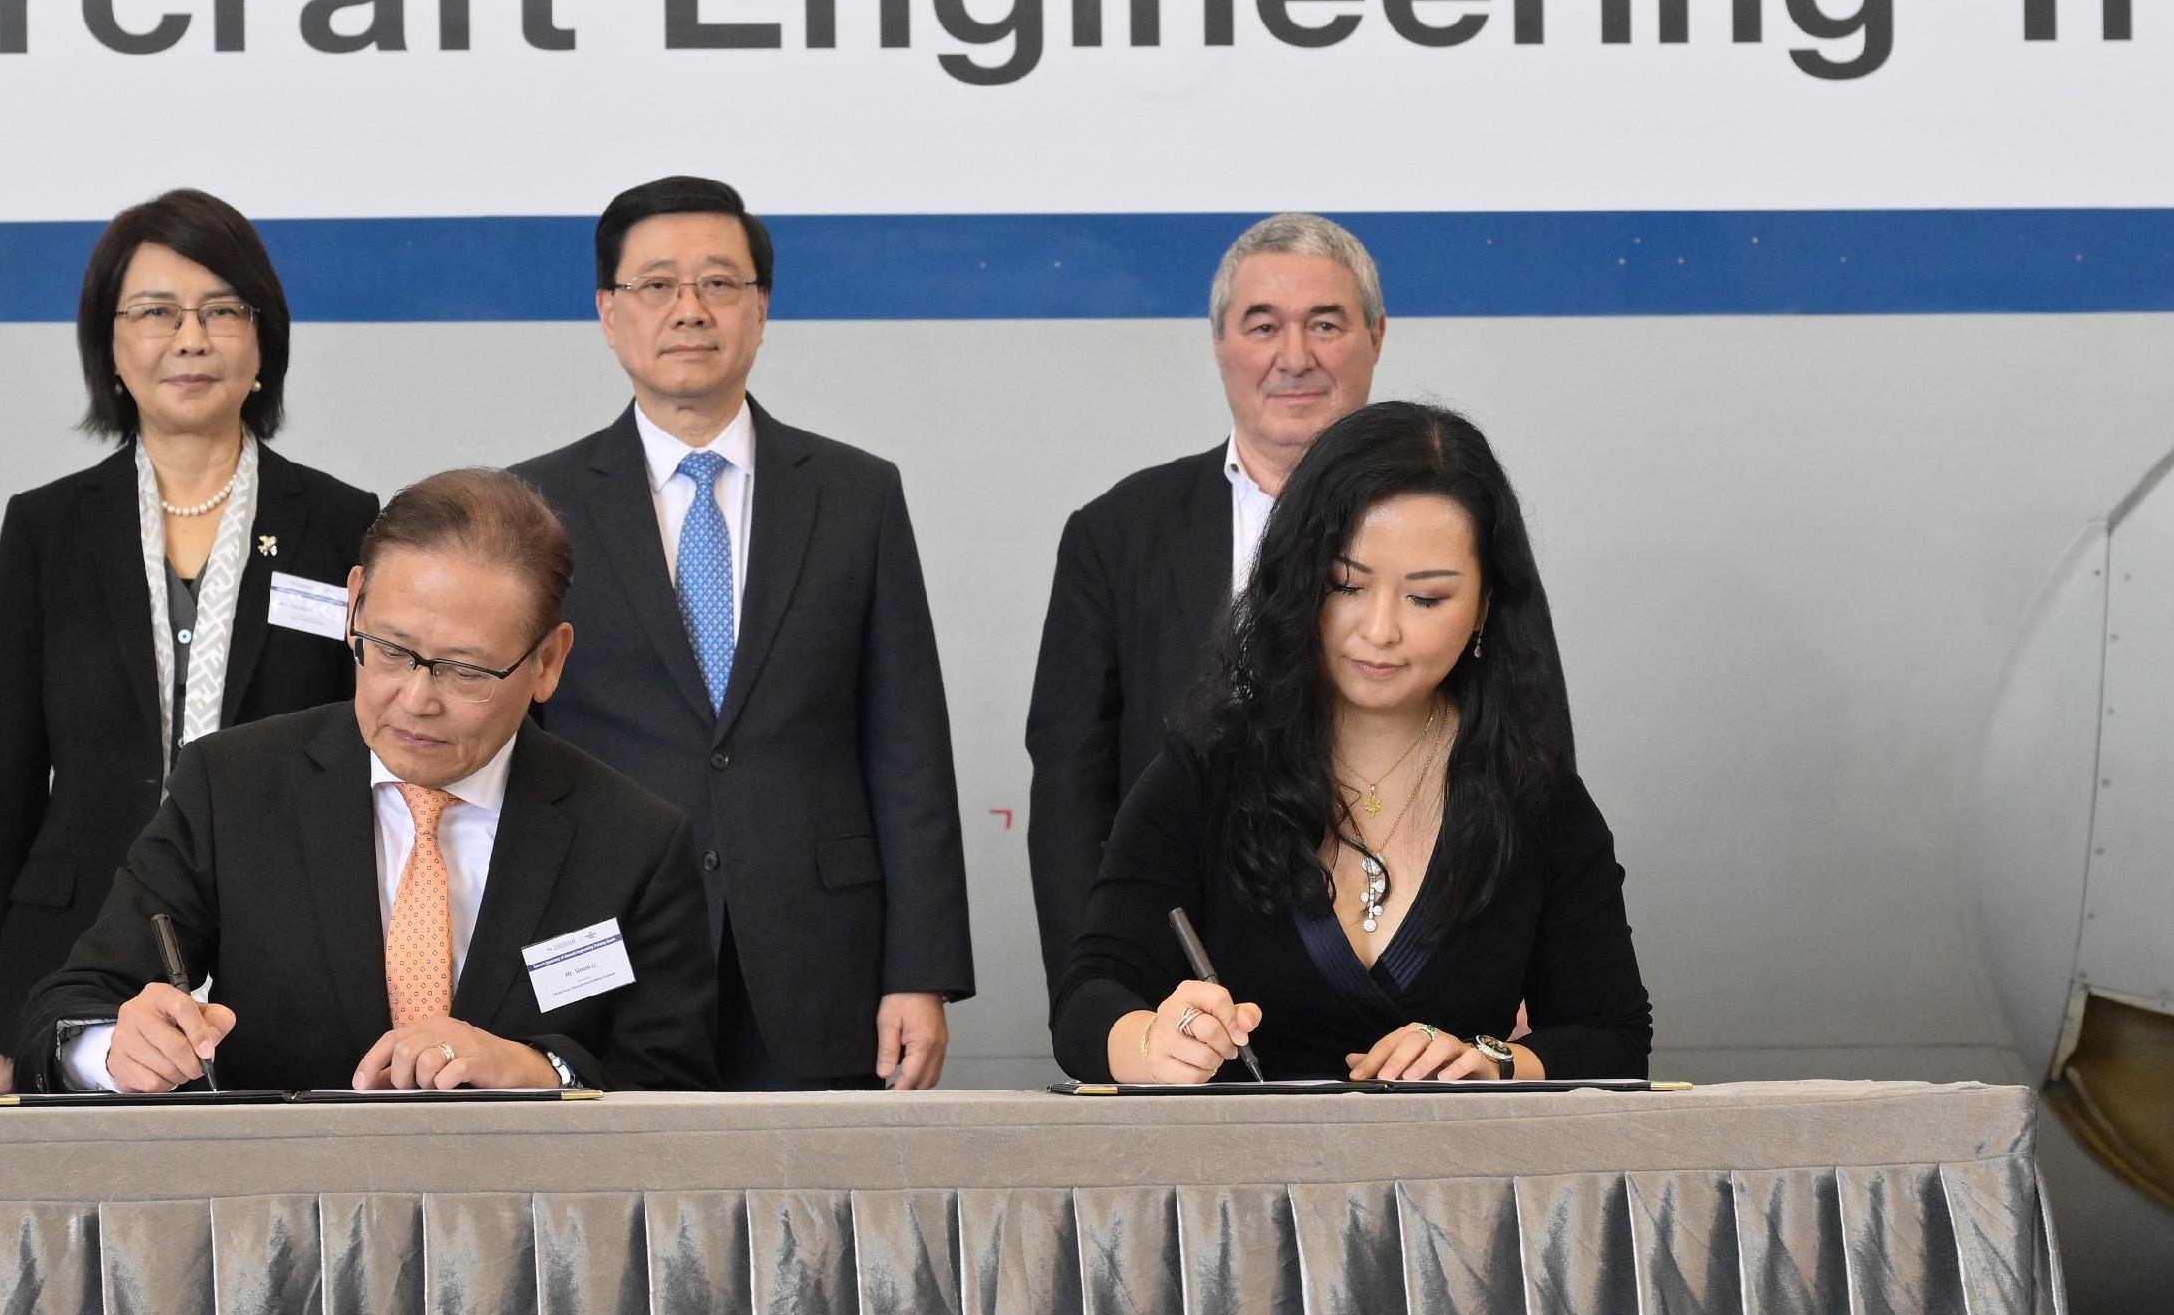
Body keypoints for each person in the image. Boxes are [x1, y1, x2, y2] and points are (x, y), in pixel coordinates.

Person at [22, 470, 715, 1093]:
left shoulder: (633, 841)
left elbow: (673, 1081)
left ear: (548, 662)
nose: (416, 699)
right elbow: (66, 1009)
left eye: (466, 670)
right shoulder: (232, 788)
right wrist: (114, 1048)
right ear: (354, 604)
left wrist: (544, 1071)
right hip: (284, 1215)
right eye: (389, 650)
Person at [1022, 213, 1570, 999]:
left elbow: (1531, 739)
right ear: (1219, 343)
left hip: (1423, 986)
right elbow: (1071, 794)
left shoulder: (1457, 517)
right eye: (1263, 325)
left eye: (1325, 324)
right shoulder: (1116, 532)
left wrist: (1522, 961)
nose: (1295, 357)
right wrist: (1100, 997)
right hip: (1181, 989)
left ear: (1378, 335)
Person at [511, 175, 976, 1090]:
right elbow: (509, 749)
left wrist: (920, 971)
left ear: (760, 310)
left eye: (719, 284)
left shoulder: (856, 494)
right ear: (608, 313)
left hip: (821, 957)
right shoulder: (536, 507)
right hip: (603, 956)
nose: (690, 309)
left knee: (820, 1224)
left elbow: (908, 745)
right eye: (656, 286)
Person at [1053, 401, 1649, 1086]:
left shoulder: (1537, 798)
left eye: (1426, 598)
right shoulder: (1210, 771)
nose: (1380, 629)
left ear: (1485, 605)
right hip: (1237, 1185)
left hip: (1451, 1187)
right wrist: (1155, 1040)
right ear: (1298, 579)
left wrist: (1497, 1062)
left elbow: (1614, 1036)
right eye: (1345, 585)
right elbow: (1086, 1001)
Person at [0, 191, 379, 1093]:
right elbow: (6, 780)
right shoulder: (48, 530)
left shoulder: (341, 522)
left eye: (222, 310)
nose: (190, 338)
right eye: (155, 311)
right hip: (73, 948)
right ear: (111, 345)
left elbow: (363, 753)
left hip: (281, 937)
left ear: (264, 343)